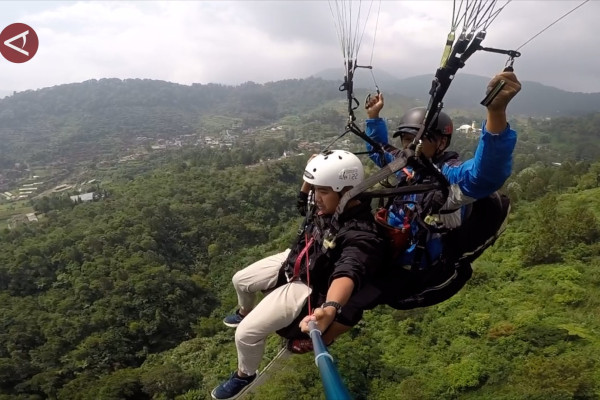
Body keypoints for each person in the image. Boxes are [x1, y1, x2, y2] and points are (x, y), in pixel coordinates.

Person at [300, 70, 521, 339]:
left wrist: (496, 113)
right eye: (406, 140)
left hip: (414, 267)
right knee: (334, 263)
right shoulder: (409, 166)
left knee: (356, 298)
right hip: (392, 247)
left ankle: (322, 339)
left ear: (441, 142)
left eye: (418, 141)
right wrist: (373, 119)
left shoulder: (447, 180)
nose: (410, 147)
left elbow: (485, 175)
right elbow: (382, 152)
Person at [211, 150, 384, 400]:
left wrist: (332, 307)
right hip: (295, 258)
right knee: (240, 280)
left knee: (246, 335)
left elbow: (349, 270)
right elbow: (303, 203)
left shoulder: (362, 233)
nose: (317, 198)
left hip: (308, 282)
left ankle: (244, 374)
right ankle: (244, 311)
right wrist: (310, 175)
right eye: (316, 190)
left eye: (323, 191)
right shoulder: (326, 205)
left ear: (347, 191)